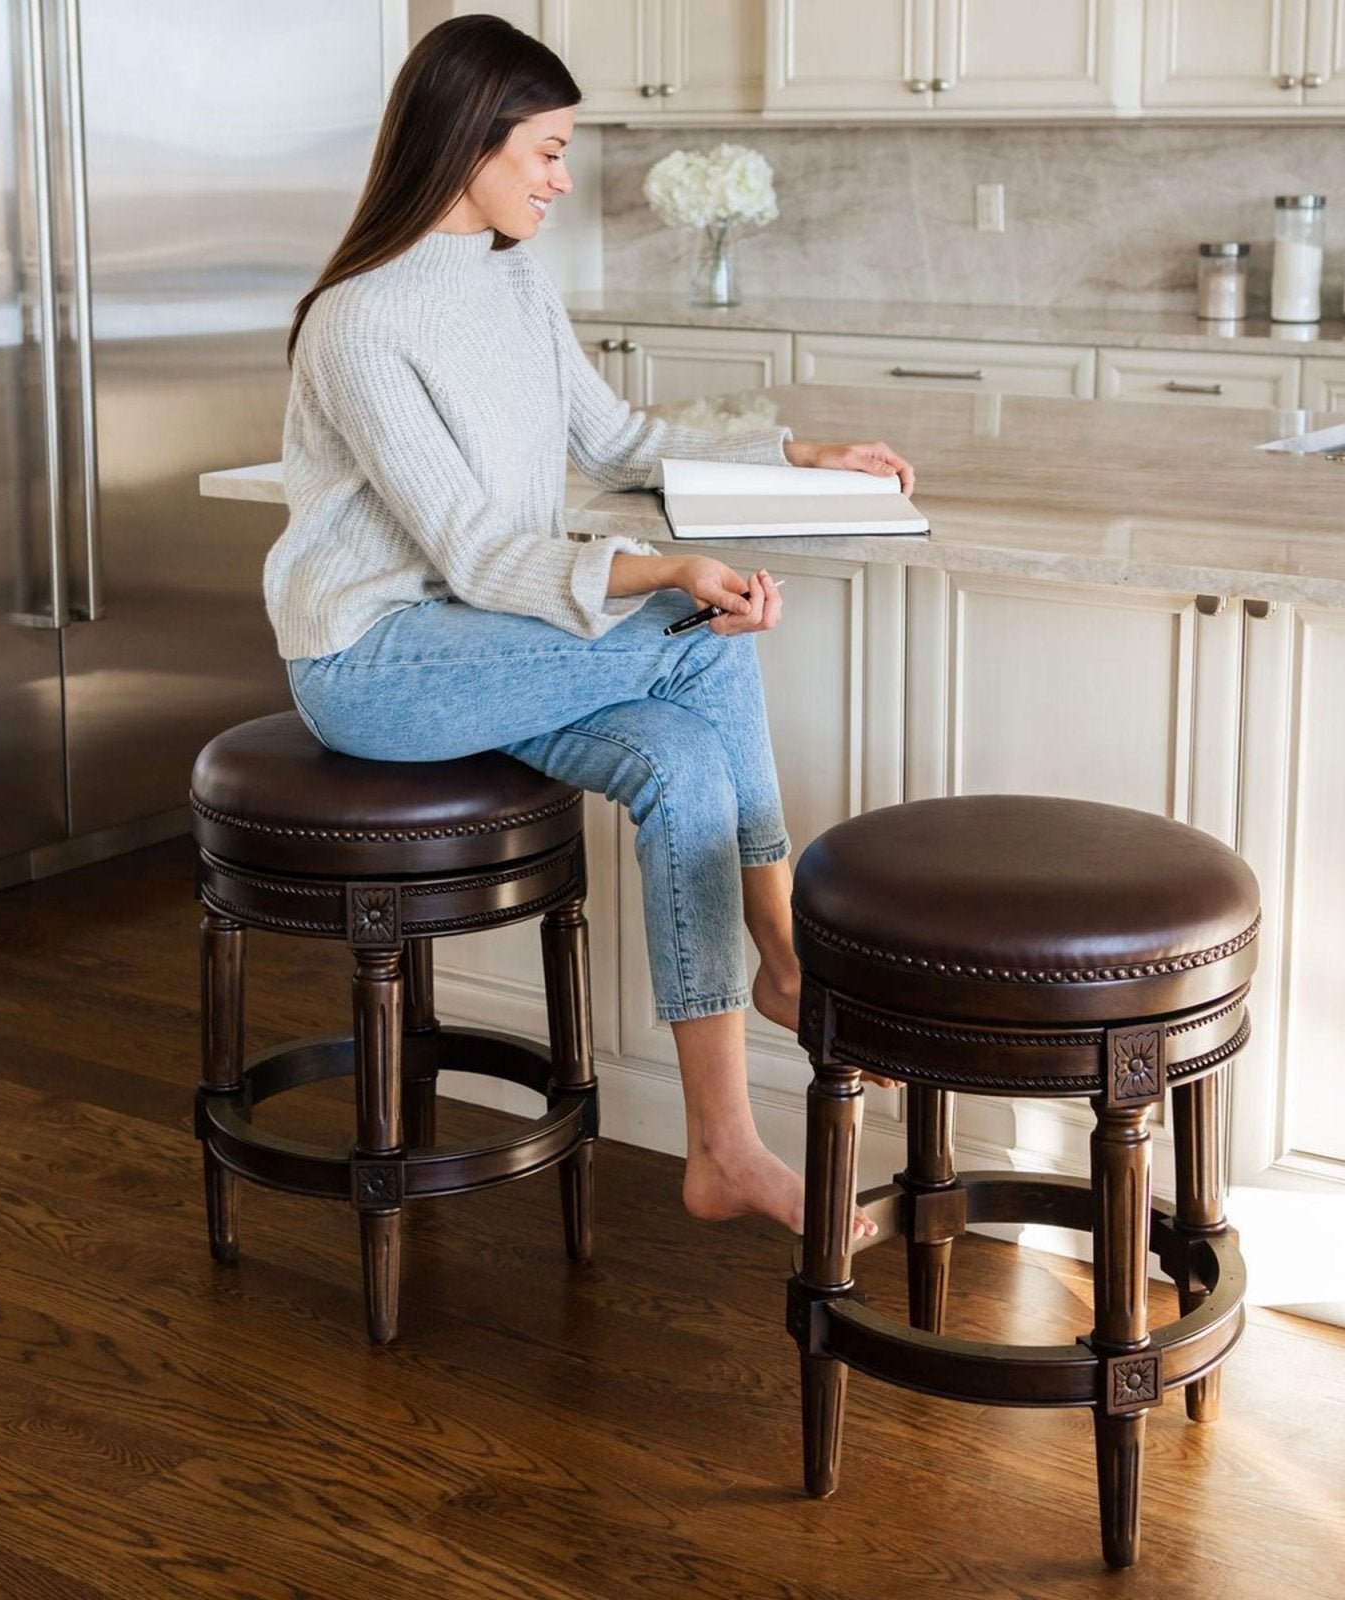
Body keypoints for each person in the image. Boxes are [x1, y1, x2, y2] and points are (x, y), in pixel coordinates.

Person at [270, 14, 914, 1238]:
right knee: (686, 627)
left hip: (487, 651)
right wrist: (664, 566)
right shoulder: (361, 320)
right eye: (547, 153)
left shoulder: (513, 280)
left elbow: (622, 442)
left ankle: (722, 1148)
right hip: (376, 664)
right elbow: (471, 549)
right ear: (469, 144)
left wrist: (798, 453)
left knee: (680, 761)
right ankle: (785, 957)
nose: (563, 180)